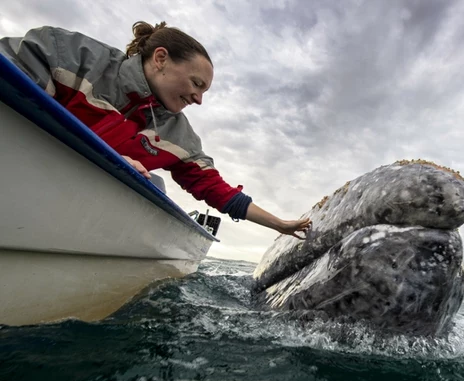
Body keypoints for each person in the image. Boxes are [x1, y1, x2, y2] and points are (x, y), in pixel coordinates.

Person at [0, 22, 311, 239]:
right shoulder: (69, 54)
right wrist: (109, 158)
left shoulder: (181, 137)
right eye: (196, 84)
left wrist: (279, 225)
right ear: (161, 59)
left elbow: (220, 192)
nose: (199, 99)